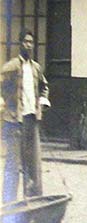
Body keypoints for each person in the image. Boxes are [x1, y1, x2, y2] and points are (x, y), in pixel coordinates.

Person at [1, 30, 50, 203]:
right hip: (15, 121)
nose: (28, 45)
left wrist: (42, 102)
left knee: (34, 164)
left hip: (31, 120)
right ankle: (9, 203)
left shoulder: (36, 68)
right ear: (20, 44)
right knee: (13, 165)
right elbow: (1, 85)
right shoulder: (12, 67)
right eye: (25, 42)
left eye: (31, 42)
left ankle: (34, 201)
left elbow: (44, 86)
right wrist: (5, 104)